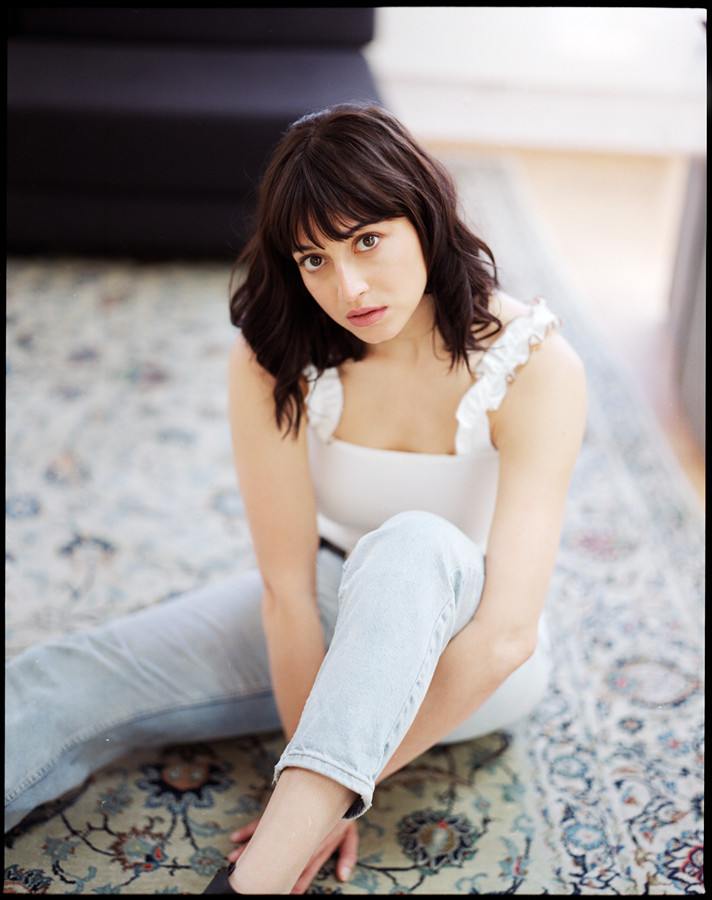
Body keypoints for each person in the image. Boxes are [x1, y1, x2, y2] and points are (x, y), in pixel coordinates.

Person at [5, 103, 587, 894]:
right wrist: (317, 774)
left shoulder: (534, 364)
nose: (348, 286)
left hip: (465, 640)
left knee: (413, 542)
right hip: (330, 594)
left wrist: (319, 800)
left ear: (424, 216)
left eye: (367, 240)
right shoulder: (276, 354)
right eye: (314, 258)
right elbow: (286, 588)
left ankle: (257, 883)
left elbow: (505, 638)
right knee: (64, 676)